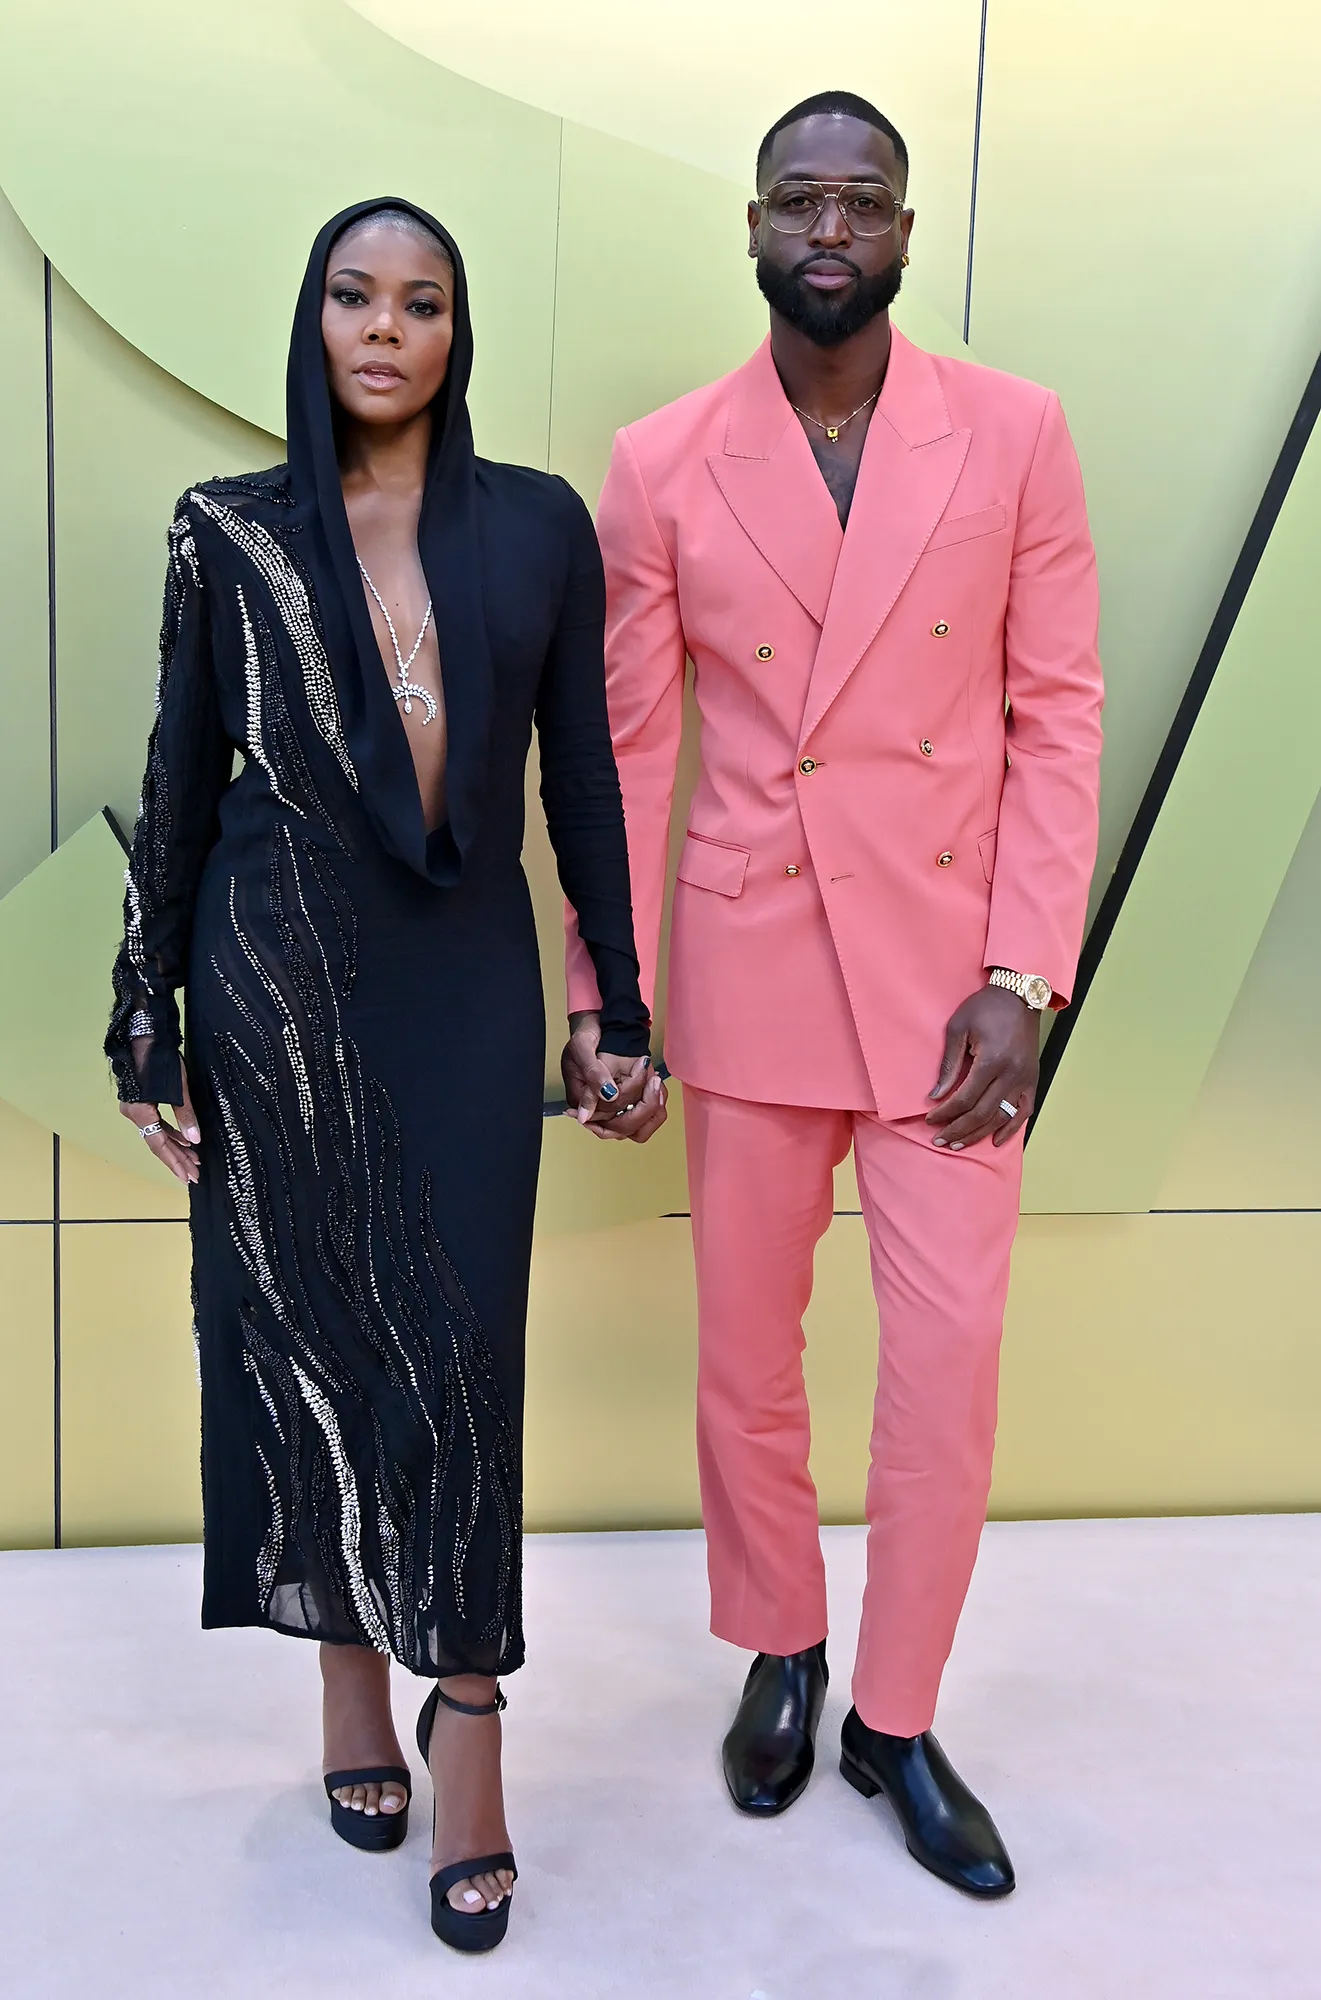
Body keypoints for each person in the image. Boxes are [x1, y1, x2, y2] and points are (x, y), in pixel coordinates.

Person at [106, 196, 665, 1953]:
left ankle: (469, 1715)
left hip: (467, 990)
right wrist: (143, 1015)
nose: (384, 330)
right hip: (270, 988)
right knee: (303, 1339)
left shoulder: (539, 526)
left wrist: (620, 1002)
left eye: (422, 303)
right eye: (355, 296)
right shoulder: (230, 532)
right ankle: (351, 1679)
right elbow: (181, 780)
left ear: (455, 333)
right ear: (314, 317)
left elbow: (583, 776)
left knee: (467, 1359)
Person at [564, 91, 1103, 1897]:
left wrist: (1025, 975)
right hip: (755, 962)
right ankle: (781, 1648)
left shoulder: (1015, 434)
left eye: (861, 201)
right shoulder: (663, 462)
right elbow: (631, 753)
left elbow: (1058, 716)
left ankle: (897, 1713)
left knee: (945, 1376)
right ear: (753, 225)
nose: (829, 228)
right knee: (746, 1358)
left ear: (904, 230)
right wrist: (611, 997)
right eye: (799, 198)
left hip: (957, 989)